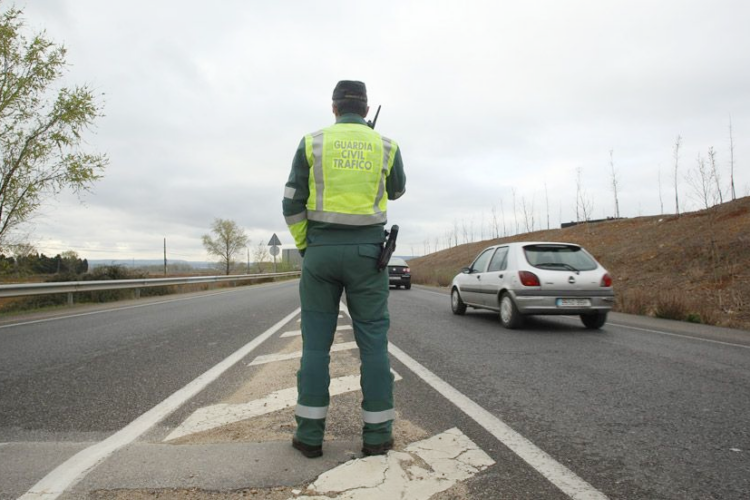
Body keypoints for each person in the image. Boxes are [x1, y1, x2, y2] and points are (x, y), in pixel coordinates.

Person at [282, 80, 406, 458]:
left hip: (320, 252)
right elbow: (397, 190)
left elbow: (291, 204)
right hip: (369, 256)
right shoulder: (386, 145)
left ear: (334, 108)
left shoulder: (312, 143)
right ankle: (377, 436)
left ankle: (309, 437)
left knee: (316, 346)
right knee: (373, 345)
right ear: (366, 110)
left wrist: (307, 246)